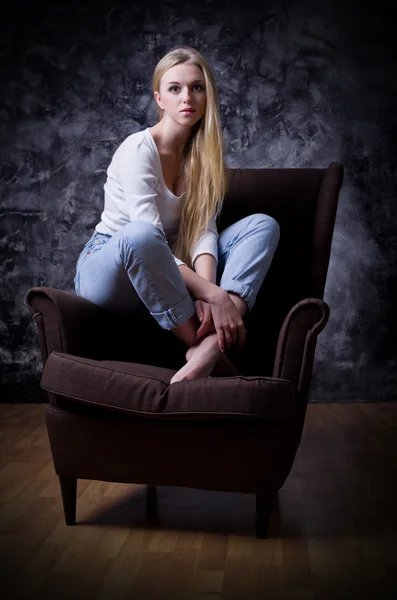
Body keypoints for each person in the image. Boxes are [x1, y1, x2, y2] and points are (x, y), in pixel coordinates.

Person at [74, 45, 280, 384]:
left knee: (262, 225)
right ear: (160, 99)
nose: (188, 97)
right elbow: (148, 238)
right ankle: (200, 345)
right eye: (175, 88)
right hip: (111, 268)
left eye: (197, 87)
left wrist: (212, 293)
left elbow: (204, 231)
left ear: (207, 94)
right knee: (142, 235)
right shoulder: (138, 149)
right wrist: (211, 295)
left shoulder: (203, 157)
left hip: (168, 271)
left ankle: (210, 345)